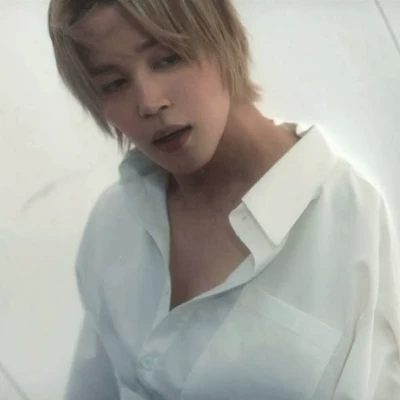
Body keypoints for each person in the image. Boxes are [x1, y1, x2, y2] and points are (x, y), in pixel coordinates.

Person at [48, 1, 400, 399]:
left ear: (223, 39)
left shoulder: (360, 228)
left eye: (167, 59)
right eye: (114, 83)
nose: (149, 102)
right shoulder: (114, 220)